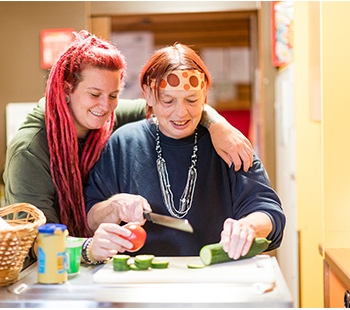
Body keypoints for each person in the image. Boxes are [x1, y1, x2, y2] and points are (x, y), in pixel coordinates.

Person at [3, 31, 254, 263]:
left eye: (113, 95)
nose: (105, 105)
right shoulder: (29, 151)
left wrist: (219, 126)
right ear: (67, 89)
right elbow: (36, 242)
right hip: (46, 271)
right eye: (94, 94)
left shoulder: (108, 116)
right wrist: (88, 248)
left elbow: (174, 108)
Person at [85, 43, 285, 262]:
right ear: (148, 95)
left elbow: (269, 213)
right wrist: (115, 206)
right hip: (141, 280)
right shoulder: (123, 143)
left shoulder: (228, 145)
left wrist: (249, 227)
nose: (181, 113)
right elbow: (91, 217)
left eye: (192, 100)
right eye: (168, 101)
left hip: (217, 276)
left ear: (205, 95)